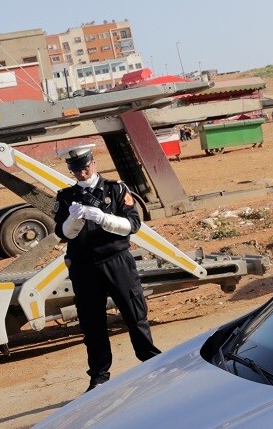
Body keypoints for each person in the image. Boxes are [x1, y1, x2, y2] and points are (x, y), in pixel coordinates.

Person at [53, 145, 160, 393]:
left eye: (85, 167)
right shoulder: (66, 197)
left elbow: (133, 224)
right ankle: (99, 377)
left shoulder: (116, 189)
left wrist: (102, 217)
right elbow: (62, 234)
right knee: (92, 324)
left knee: (135, 314)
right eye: (75, 170)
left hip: (116, 260)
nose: (81, 173)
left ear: (93, 163)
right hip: (84, 267)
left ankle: (152, 363)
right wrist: (73, 220)